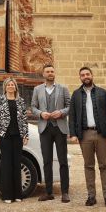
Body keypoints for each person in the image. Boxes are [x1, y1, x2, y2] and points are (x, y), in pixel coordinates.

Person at [68, 67, 106, 207]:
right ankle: (91, 196)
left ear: (92, 75)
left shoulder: (103, 93)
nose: (85, 77)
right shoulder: (76, 94)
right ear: (80, 78)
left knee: (104, 165)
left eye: (87, 74)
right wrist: (73, 134)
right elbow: (72, 116)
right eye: (82, 75)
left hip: (102, 134)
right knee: (88, 166)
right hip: (85, 134)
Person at [30, 64, 71, 202]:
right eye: (47, 71)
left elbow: (70, 106)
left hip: (60, 128)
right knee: (46, 161)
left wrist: (61, 112)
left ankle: (65, 192)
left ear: (55, 73)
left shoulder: (63, 88)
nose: (50, 73)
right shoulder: (37, 89)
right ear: (43, 74)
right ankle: (48, 192)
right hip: (45, 128)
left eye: (52, 71)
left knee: (62, 160)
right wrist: (41, 113)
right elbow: (33, 107)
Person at [0, 77, 29, 203]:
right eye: (8, 84)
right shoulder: (0, 100)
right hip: (5, 136)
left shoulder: (21, 101)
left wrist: (26, 135)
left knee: (16, 164)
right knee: (6, 165)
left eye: (12, 84)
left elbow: (24, 119)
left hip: (18, 136)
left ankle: (18, 194)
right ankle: (7, 195)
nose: (11, 86)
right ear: (5, 87)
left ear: (15, 87)